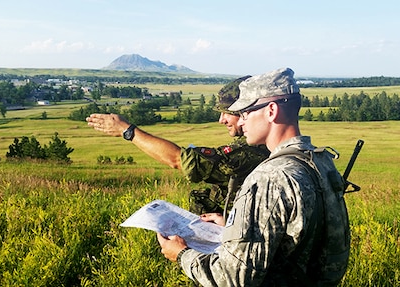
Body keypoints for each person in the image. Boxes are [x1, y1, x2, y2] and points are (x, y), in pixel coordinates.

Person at [157, 67, 350, 286]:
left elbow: (232, 279)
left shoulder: (270, 177)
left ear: (271, 111)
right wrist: (232, 230)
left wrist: (182, 254)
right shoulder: (322, 162)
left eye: (245, 113)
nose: (241, 122)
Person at [86, 77, 270, 215]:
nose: (221, 120)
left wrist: (128, 131)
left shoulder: (251, 150)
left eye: (228, 113)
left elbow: (180, 161)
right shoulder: (262, 144)